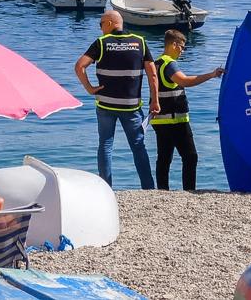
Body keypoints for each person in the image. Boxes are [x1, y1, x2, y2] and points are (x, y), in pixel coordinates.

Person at [74, 10, 158, 189]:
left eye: (101, 24)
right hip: (131, 106)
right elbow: (153, 74)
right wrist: (155, 100)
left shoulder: (102, 43)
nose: (101, 28)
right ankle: (149, 188)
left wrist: (89, 88)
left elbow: (80, 66)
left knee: (105, 145)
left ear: (111, 23)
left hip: (106, 104)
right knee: (138, 147)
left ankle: (106, 187)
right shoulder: (139, 42)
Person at [152, 29, 223, 191]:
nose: (183, 51)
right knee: (190, 157)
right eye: (182, 47)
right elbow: (184, 81)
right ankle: (189, 190)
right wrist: (211, 75)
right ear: (174, 45)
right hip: (175, 120)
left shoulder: (157, 63)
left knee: (164, 158)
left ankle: (162, 191)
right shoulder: (169, 63)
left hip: (159, 119)